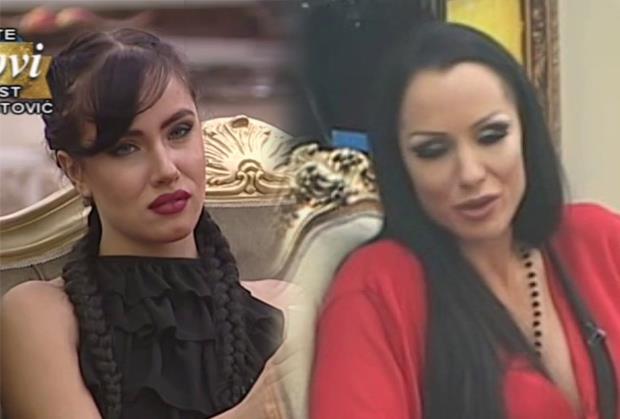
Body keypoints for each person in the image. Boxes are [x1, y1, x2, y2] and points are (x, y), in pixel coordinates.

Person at [310, 22, 619, 419]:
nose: (470, 173)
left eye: (491, 136)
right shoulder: (375, 290)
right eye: (433, 151)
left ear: (527, 133)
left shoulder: (600, 239)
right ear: (400, 164)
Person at [1, 28, 288, 419]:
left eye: (179, 131)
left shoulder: (288, 308)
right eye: (126, 148)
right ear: (76, 171)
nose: (166, 169)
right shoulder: (38, 315)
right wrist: (258, 410)